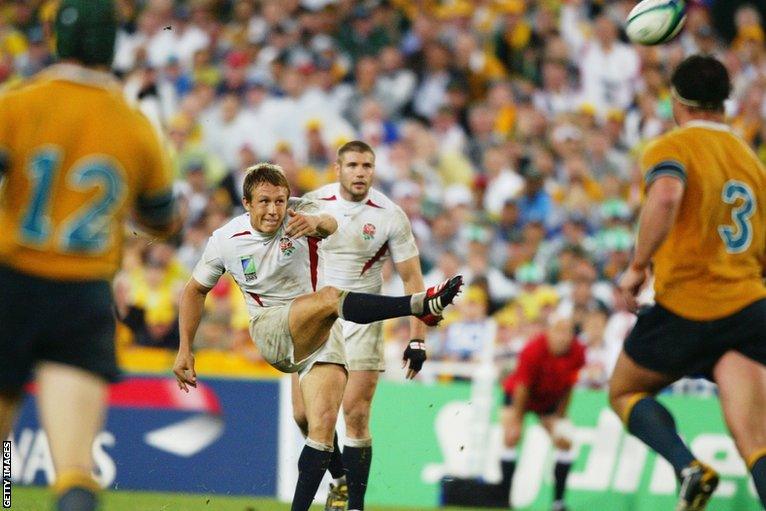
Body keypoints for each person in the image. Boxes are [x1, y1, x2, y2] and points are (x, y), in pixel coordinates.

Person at [172, 163, 462, 511]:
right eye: (264, 202)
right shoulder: (225, 240)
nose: (273, 210)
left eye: (280, 201)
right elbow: (194, 291)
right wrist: (185, 349)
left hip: (318, 328)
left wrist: (315, 224)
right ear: (247, 203)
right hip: (270, 327)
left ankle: (338, 484)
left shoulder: (300, 213)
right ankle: (420, 305)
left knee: (316, 424)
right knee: (329, 297)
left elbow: (330, 222)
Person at [0, 1, 178, 511]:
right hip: (82, 296)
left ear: (58, 39)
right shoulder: (135, 126)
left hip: (10, 282)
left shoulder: (17, 104)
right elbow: (161, 219)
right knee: (76, 471)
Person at [609, 54, 766, 511]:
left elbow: (667, 193)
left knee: (624, 391)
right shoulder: (751, 162)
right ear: (725, 103)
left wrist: (638, 266)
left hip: (689, 305)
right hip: (748, 308)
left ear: (676, 100)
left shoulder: (672, 146)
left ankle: (688, 467)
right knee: (755, 441)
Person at [292, 140, 428, 511]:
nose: (360, 172)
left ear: (374, 170)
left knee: (355, 413)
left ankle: (355, 506)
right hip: (316, 318)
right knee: (304, 416)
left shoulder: (390, 214)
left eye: (367, 165)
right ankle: (339, 480)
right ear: (338, 169)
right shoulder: (312, 204)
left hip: (364, 318)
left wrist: (418, 339)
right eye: (352, 165)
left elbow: (412, 279)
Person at [500, 313, 585, 511]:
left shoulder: (578, 352)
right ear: (549, 332)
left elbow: (570, 385)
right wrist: (516, 421)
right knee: (511, 438)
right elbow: (522, 387)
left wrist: (561, 415)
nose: (563, 337)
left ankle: (558, 502)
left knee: (565, 442)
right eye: (559, 332)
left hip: (549, 400)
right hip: (519, 396)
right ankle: (504, 500)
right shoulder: (533, 350)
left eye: (568, 332)